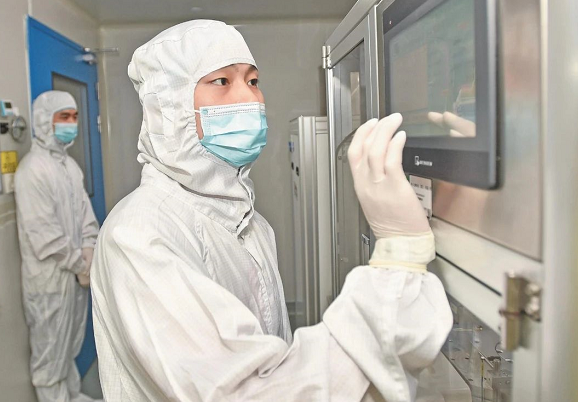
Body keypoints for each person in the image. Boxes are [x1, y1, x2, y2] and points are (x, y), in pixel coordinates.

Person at [91, 20, 452, 401]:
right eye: (221, 81)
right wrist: (398, 258)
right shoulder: (139, 235)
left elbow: (273, 362)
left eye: (253, 80)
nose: (248, 97)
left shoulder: (253, 225)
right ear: (168, 108)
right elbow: (247, 392)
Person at [15, 90, 100, 402]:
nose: (71, 123)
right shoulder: (32, 170)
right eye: (64, 117)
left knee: (69, 345)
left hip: (75, 274)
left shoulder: (69, 167)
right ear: (44, 121)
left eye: (74, 117)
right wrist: (80, 264)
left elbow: (86, 218)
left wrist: (89, 249)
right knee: (50, 355)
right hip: (50, 280)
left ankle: (72, 396)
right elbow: (45, 236)